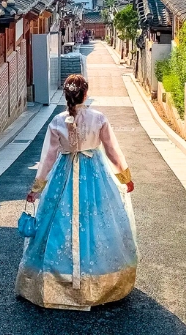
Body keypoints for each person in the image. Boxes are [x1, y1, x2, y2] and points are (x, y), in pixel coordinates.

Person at [15, 74, 138, 311]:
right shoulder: (98, 118)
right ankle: (99, 280)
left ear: (66, 95)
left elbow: (48, 159)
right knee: (98, 222)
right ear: (86, 94)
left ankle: (55, 281)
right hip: (95, 176)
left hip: (63, 175)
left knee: (57, 223)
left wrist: (37, 188)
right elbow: (112, 150)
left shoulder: (57, 122)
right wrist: (125, 176)